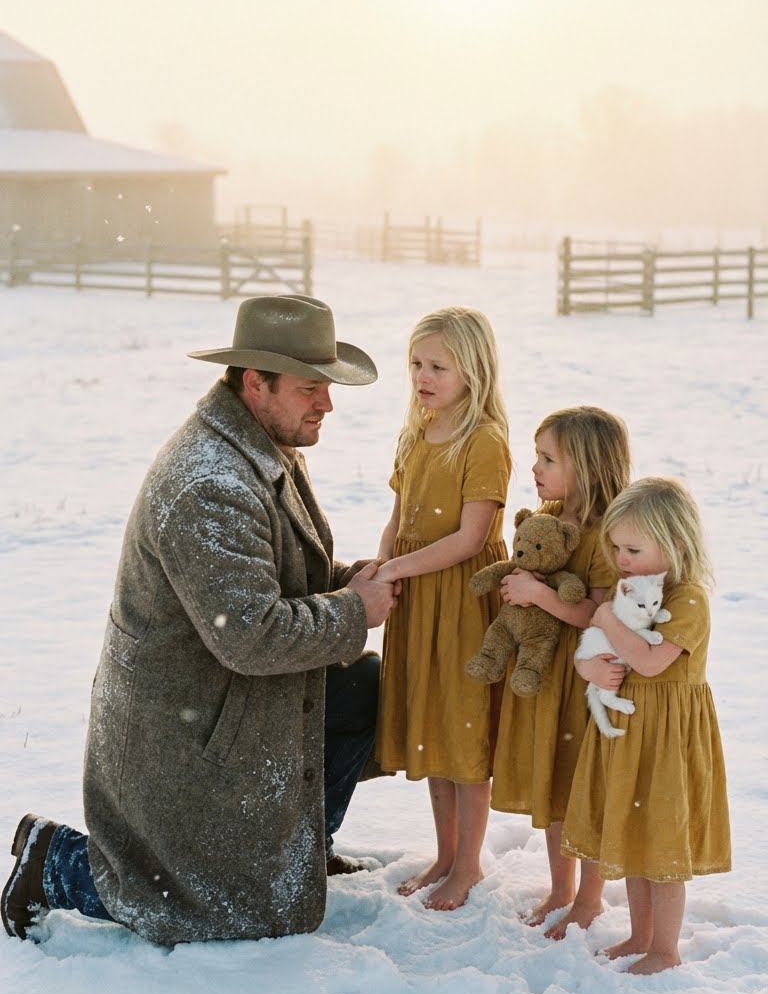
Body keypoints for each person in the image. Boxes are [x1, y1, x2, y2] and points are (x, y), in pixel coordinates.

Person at [2, 295, 397, 947]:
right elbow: (252, 634)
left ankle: (302, 851)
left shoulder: (261, 442)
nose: (327, 403)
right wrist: (355, 610)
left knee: (362, 687)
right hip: (184, 738)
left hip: (226, 703)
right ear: (255, 382)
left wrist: (346, 583)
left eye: (327, 386)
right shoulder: (209, 484)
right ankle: (58, 863)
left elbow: (269, 578)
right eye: (310, 388)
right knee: (220, 912)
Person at [562, 477, 731, 974]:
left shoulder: (689, 599)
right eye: (615, 548)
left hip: (667, 740)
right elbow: (597, 650)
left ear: (675, 543)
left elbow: (651, 661)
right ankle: (640, 936)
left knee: (661, 841)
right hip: (630, 733)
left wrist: (605, 619)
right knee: (635, 837)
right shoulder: (630, 591)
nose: (621, 559)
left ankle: (665, 949)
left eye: (633, 549)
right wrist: (589, 669)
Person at [373, 307, 512, 910]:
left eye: (438, 367)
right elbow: (398, 520)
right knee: (432, 726)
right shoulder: (415, 433)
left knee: (463, 729)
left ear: (473, 372)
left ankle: (470, 865)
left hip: (460, 599)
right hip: (417, 598)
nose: (422, 377)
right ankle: (446, 853)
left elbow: (470, 539)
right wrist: (382, 566)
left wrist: (398, 568)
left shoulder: (484, 441)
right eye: (415, 364)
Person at [490, 407, 631, 937]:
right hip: (545, 675)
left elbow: (598, 611)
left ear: (588, 466)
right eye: (537, 456)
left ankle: (589, 900)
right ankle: (560, 889)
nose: (535, 468)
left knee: (579, 787)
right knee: (552, 783)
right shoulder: (547, 516)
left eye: (548, 459)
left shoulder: (606, 533)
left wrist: (538, 595)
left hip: (582, 678)